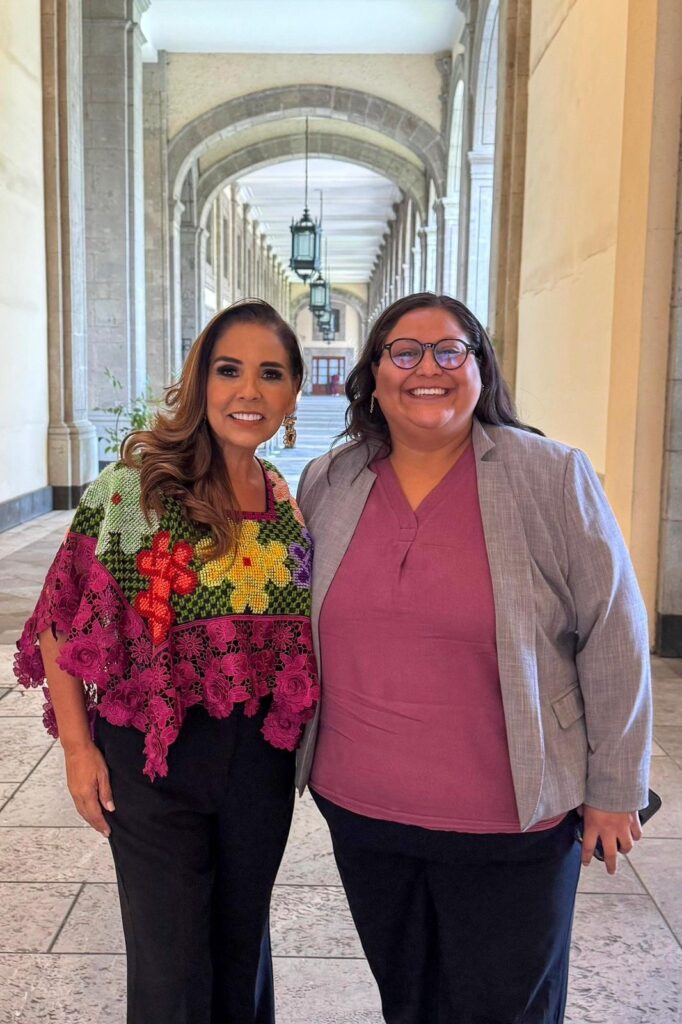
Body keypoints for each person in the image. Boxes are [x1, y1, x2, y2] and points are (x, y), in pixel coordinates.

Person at [295, 292, 652, 1024]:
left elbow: (614, 630)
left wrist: (615, 788)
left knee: (504, 1009)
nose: (428, 367)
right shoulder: (330, 480)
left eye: (449, 350)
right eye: (404, 351)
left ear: (480, 367)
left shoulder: (550, 476)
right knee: (410, 1001)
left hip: (511, 818)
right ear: (374, 373)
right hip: (364, 812)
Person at [14, 299, 319, 1024]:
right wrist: (79, 752)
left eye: (270, 374)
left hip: (260, 765)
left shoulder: (288, 504)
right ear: (200, 383)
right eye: (229, 371)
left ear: (293, 394)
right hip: (153, 758)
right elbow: (60, 618)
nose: (249, 392)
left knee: (243, 948)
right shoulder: (134, 492)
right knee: (170, 961)